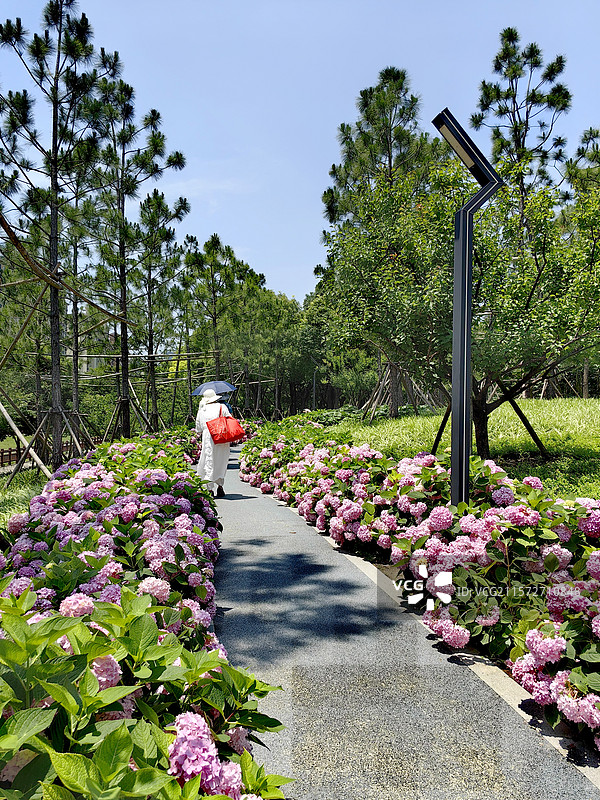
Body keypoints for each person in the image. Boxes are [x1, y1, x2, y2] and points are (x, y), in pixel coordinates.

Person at [195, 388, 232, 498]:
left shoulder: (202, 410)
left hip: (208, 437)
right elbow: (230, 420)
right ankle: (220, 487)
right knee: (221, 461)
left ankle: (209, 488)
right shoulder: (222, 407)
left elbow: (198, 428)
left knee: (209, 461)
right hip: (222, 436)